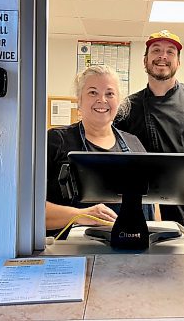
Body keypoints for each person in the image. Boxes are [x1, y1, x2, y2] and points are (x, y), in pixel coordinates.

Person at [114, 30, 184, 239]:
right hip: (143, 216)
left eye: (170, 52)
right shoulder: (128, 107)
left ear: (178, 62)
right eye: (156, 50)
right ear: (145, 61)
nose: (162, 56)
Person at [46, 65, 154, 238]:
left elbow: (152, 205)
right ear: (79, 100)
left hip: (131, 252)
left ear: (119, 101)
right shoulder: (55, 141)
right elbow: (30, 210)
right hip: (73, 254)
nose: (102, 100)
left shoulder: (134, 144)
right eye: (93, 92)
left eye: (110, 94)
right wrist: (81, 215)